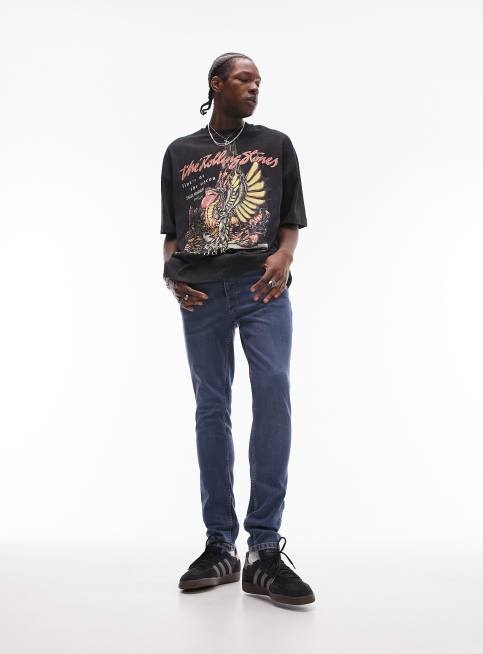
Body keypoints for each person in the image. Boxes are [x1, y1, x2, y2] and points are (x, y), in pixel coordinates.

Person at [161, 52, 315, 606]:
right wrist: (170, 275)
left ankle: (264, 549)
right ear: (217, 84)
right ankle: (220, 545)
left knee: (272, 393)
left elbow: (289, 220)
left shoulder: (275, 145)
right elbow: (172, 234)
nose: (254, 88)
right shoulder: (180, 152)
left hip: (260, 289)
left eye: (258, 82)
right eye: (245, 79)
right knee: (212, 407)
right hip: (200, 294)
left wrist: (285, 256)